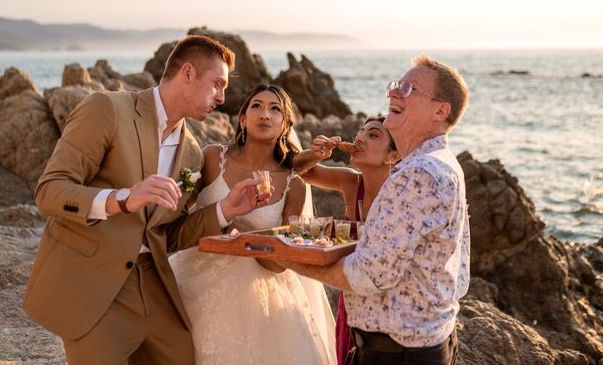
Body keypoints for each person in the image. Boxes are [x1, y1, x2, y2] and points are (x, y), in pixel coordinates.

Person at [23, 35, 273, 365]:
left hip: (154, 284)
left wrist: (226, 210)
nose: (222, 97)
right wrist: (123, 199)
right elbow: (51, 191)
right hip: (95, 284)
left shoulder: (192, 154)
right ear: (187, 73)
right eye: (217, 84)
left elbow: (167, 235)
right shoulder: (107, 109)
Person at [279, 55, 470, 365]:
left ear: (440, 110)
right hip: (421, 343)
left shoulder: (417, 174)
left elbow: (368, 275)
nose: (394, 92)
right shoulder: (442, 164)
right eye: (395, 85)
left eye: (410, 88)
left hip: (400, 354)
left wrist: (280, 256)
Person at [170, 83, 337, 364]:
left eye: (275, 109)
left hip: (258, 303)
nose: (265, 114)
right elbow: (176, 219)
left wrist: (246, 232)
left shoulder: (293, 186)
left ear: (285, 125)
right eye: (256, 106)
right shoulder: (212, 158)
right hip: (192, 284)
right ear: (243, 119)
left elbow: (279, 264)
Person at [293, 116, 399, 365]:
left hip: (387, 311)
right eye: (361, 132)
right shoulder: (351, 182)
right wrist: (318, 153)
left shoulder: (400, 194)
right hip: (350, 300)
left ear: (393, 155)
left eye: (373, 135)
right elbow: (300, 171)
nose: (360, 137)